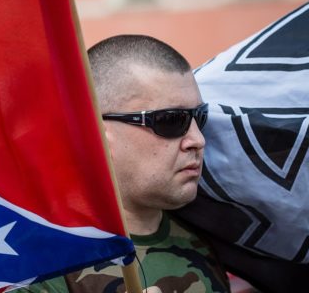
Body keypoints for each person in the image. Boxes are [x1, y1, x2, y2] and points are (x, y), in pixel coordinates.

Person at [16, 35, 230, 293]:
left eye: (200, 116)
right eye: (171, 120)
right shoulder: (33, 263)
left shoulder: (208, 244)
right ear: (99, 135)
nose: (197, 139)